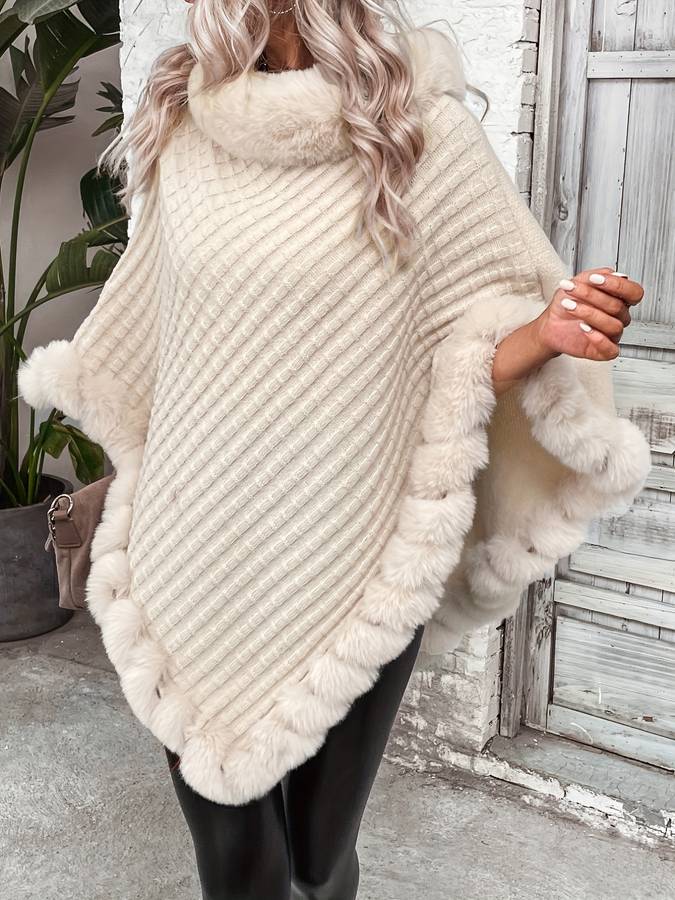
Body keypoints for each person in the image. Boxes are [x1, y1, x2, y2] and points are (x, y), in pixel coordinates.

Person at [18, 1, 650, 898]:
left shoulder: (419, 131)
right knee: (238, 865)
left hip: (353, 546)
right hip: (191, 548)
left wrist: (547, 331)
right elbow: (153, 333)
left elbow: (457, 346)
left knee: (318, 862)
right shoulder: (188, 126)